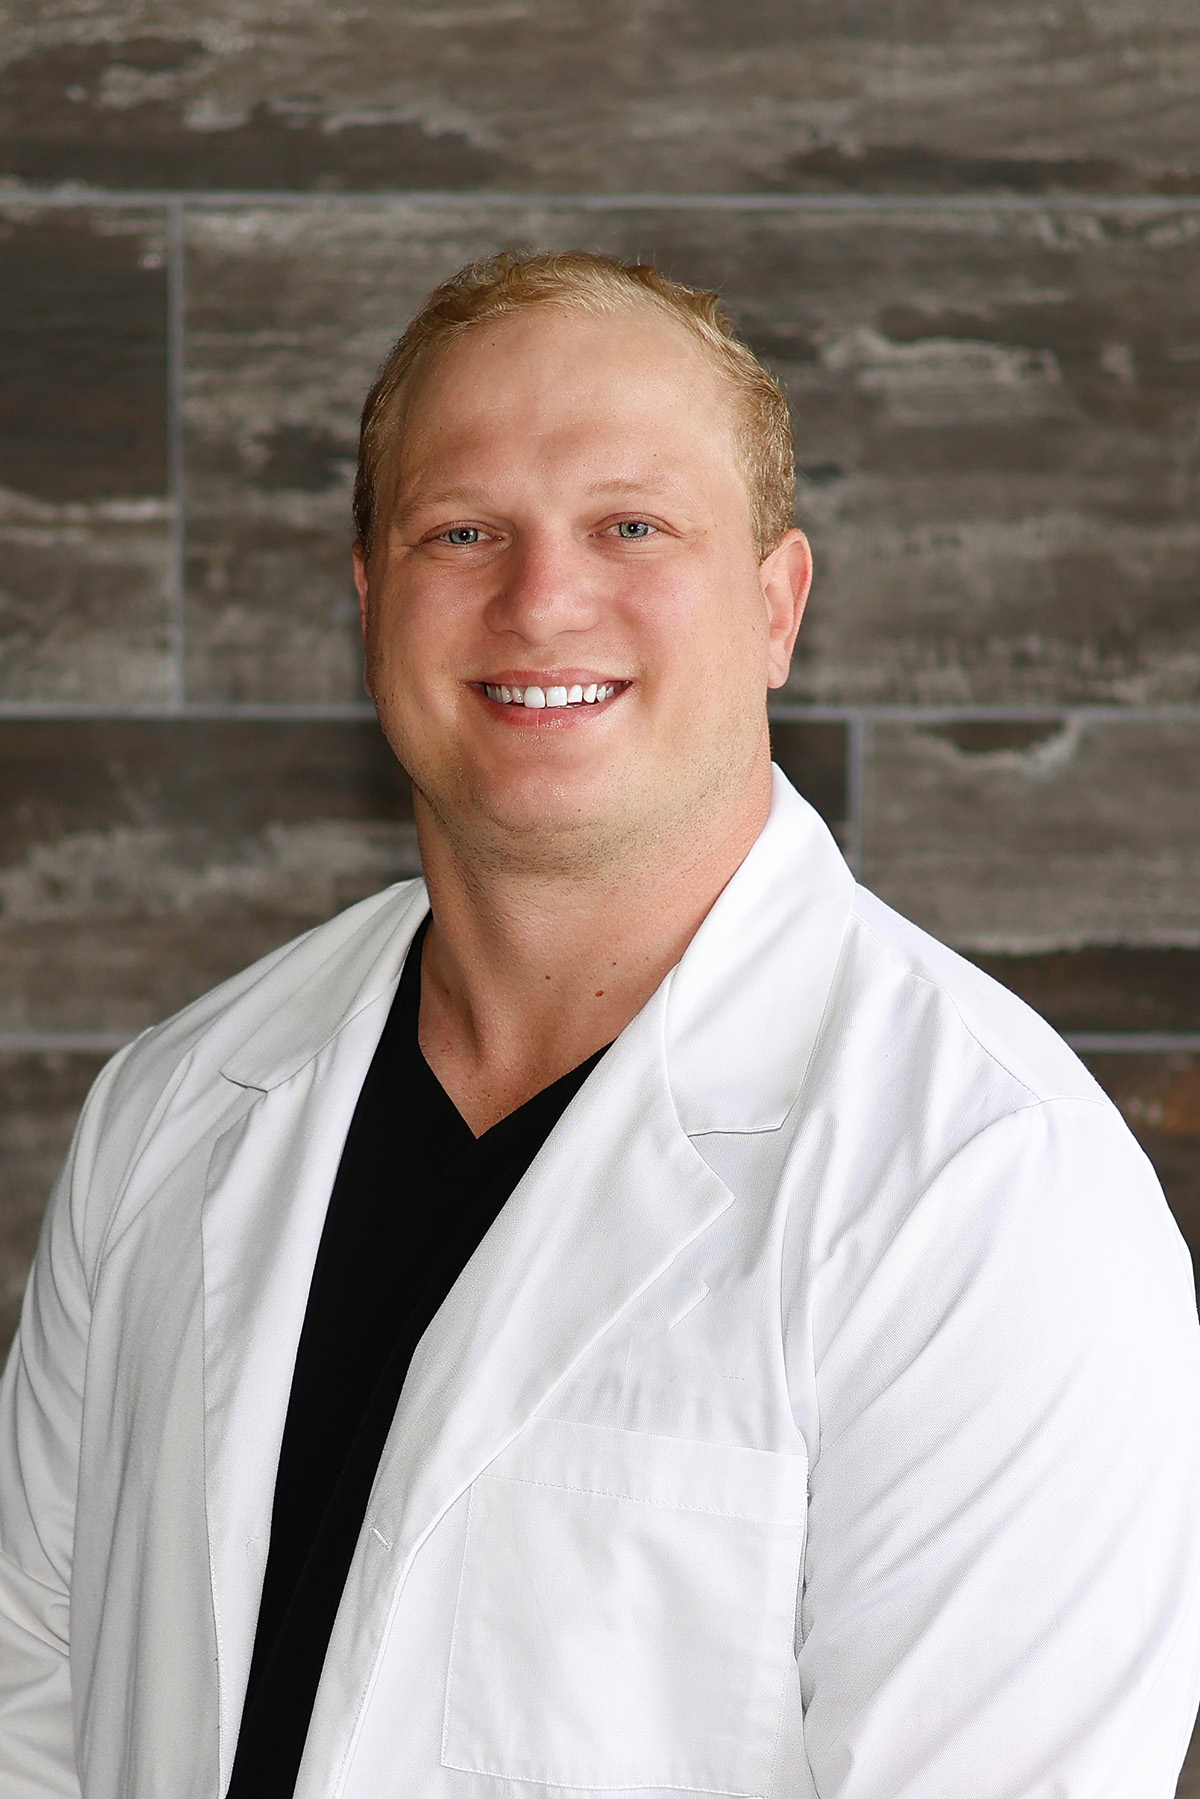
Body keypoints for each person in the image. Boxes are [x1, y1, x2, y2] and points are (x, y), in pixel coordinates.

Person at [1, 250, 1198, 1799]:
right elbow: (34, 1705)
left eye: (631, 525)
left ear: (777, 605)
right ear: (369, 603)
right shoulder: (170, 1112)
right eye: (461, 531)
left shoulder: (984, 1188)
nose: (542, 597)